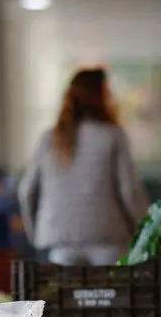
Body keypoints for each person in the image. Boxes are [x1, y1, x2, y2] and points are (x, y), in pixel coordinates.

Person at [18, 68, 149, 266]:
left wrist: (36, 233)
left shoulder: (49, 139)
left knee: (66, 296)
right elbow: (130, 191)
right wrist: (145, 230)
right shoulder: (112, 136)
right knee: (110, 296)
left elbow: (26, 191)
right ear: (101, 96)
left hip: (60, 241)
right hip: (107, 237)